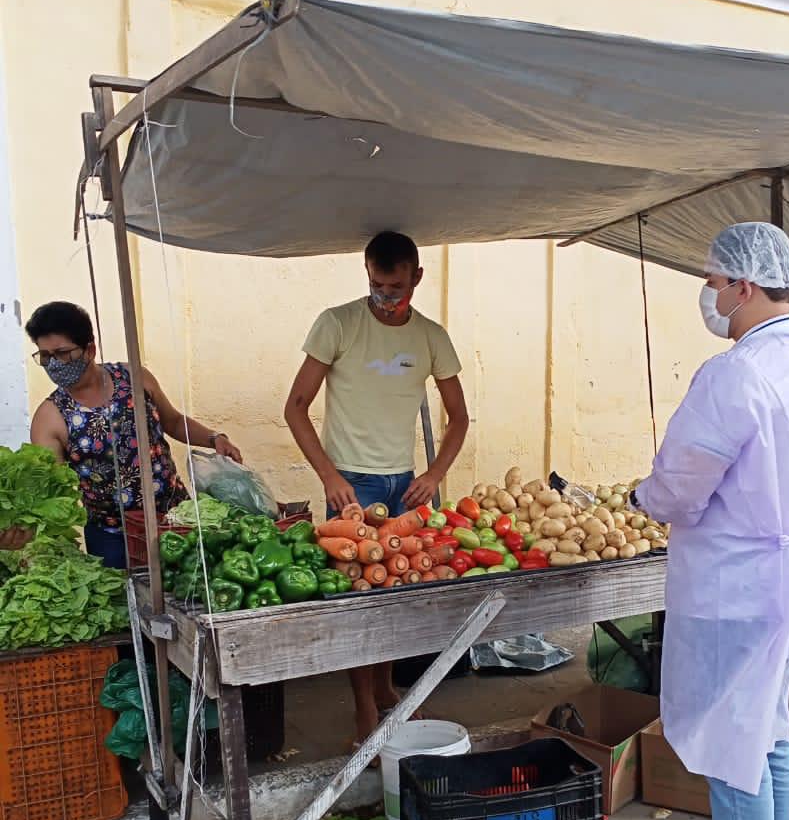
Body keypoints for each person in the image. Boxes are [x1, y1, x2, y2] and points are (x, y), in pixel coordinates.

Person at [630, 223, 789, 820]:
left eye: (716, 281)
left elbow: (683, 485)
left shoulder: (736, 375)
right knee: (769, 732)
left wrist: (642, 497)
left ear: (744, 286)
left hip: (737, 585)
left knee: (731, 744)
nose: (711, 294)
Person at [284, 231, 469, 743]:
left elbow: (458, 418)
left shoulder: (431, 337)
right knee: (360, 599)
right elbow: (295, 408)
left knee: (394, 593)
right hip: (351, 483)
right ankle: (364, 706)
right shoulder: (337, 323)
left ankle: (386, 688)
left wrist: (432, 476)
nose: (385, 296)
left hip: (404, 481)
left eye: (395, 286)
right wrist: (329, 475)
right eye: (376, 284)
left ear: (417, 278)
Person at [23, 301, 243, 569]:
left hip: (176, 520)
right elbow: (55, 494)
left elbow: (172, 421)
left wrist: (213, 438)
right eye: (45, 357)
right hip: (113, 539)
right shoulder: (49, 418)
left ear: (90, 349)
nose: (54, 365)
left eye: (62, 353)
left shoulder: (134, 378)